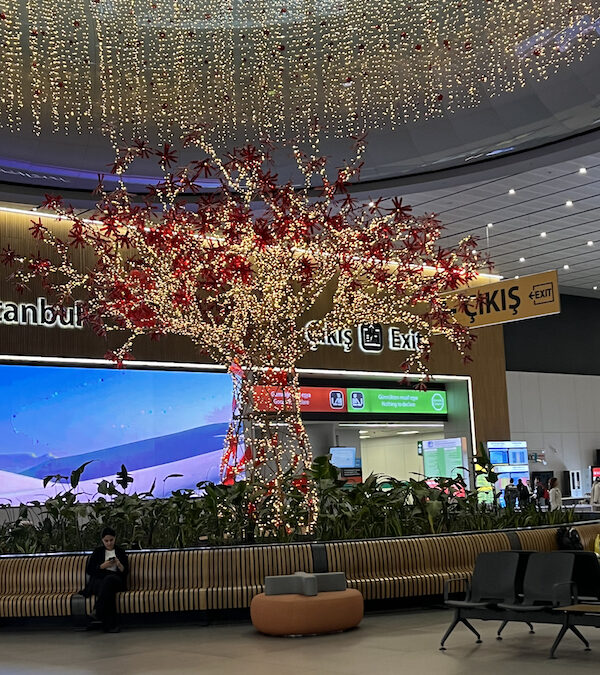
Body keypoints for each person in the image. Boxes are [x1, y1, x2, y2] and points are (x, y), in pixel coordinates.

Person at [82, 527, 129, 632]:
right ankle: (109, 626)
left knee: (109, 581)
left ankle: (97, 612)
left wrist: (118, 564)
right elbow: (90, 570)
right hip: (100, 581)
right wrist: (103, 566)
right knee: (107, 590)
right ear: (102, 540)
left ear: (115, 539)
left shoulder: (120, 552)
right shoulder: (98, 552)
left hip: (116, 580)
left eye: (111, 540)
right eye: (106, 541)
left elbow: (125, 572)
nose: (109, 543)